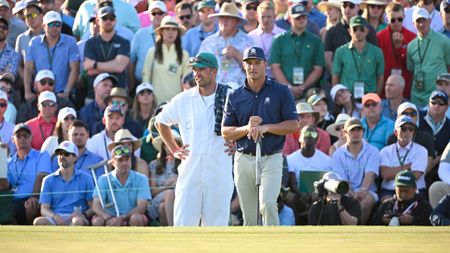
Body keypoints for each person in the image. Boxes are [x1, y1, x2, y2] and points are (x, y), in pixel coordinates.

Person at [155, 52, 235, 226]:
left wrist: (240, 144)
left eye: (201, 69)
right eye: (194, 69)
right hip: (189, 173)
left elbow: (248, 124)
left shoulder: (230, 96)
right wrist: (174, 149)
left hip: (219, 173)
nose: (196, 73)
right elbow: (160, 121)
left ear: (214, 71)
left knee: (216, 231)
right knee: (183, 227)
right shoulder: (183, 99)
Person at [222, 47, 298, 226]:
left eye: (257, 63)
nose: (253, 67)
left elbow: (293, 124)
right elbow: (226, 131)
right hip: (243, 158)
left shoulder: (281, 91)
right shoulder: (235, 95)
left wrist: (266, 128)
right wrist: (247, 128)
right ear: (243, 65)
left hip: (271, 157)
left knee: (268, 204)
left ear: (265, 64)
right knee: (249, 214)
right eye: (249, 63)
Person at [270, 3, 325, 100]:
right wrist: (289, 87)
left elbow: (318, 69)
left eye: (304, 17)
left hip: (308, 93)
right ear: (289, 18)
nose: (301, 20)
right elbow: (275, 67)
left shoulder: (315, 41)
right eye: (297, 17)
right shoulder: (279, 40)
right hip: (283, 92)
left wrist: (302, 87)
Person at [331, 117, 380, 224]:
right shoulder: (337, 155)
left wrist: (362, 191)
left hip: (368, 191)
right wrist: (353, 194)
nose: (356, 132)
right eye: (352, 130)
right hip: (345, 191)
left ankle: (357, 231)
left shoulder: (373, 151)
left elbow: (370, 174)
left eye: (359, 129)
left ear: (363, 132)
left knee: (364, 203)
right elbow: (342, 181)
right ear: (345, 133)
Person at [33, 141, 94, 226]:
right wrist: (55, 216)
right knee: (39, 222)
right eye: (59, 154)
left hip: (78, 217)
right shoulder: (48, 180)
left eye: (66, 154)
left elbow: (93, 207)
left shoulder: (86, 178)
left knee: (77, 221)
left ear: (75, 158)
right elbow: (44, 208)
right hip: (55, 217)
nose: (62, 156)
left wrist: (83, 214)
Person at [24, 11, 79, 102]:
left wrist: (67, 91)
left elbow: (75, 68)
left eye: (58, 24)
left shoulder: (71, 42)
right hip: (40, 94)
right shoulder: (34, 42)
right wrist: (27, 92)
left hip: (61, 94)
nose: (55, 27)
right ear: (43, 26)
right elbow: (28, 68)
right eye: (51, 24)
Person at [91, 144, 150, 226]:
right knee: (98, 221)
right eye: (120, 160)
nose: (124, 163)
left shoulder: (141, 178)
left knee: (136, 218)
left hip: (130, 216)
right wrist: (108, 218)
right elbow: (95, 205)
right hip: (109, 216)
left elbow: (142, 207)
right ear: (113, 162)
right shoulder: (103, 179)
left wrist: (122, 218)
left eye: (127, 159)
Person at [199, 2, 254, 86]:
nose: (224, 21)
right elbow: (199, 68)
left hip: (241, 92)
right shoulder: (208, 42)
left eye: (229, 18)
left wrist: (238, 55)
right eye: (222, 18)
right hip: (214, 92)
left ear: (236, 21)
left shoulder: (249, 41)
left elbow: (256, 71)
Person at [6, 123, 51, 224]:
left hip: (33, 196)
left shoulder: (42, 155)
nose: (22, 138)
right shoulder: (8, 162)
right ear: (13, 139)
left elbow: (41, 177)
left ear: (31, 138)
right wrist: (1, 156)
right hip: (13, 199)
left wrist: (34, 196)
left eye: (26, 136)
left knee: (32, 204)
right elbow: (5, 185)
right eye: (19, 136)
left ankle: (30, 233)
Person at [286, 125, 332, 223]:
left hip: (318, 194)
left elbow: (325, 182)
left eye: (313, 134)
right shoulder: (291, 159)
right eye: (306, 133)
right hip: (298, 195)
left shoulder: (326, 160)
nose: (310, 136)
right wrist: (302, 195)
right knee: (291, 199)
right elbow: (293, 184)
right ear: (300, 137)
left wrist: (314, 195)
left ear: (317, 140)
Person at [406, 8, 450, 108]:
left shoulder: (444, 41)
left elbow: (449, 67)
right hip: (417, 98)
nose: (421, 24)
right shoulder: (411, 46)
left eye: (424, 20)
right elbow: (411, 72)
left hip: (438, 98)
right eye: (418, 21)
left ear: (429, 21)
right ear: (413, 24)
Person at [83, 6, 130, 100]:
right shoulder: (90, 43)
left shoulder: (124, 42)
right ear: (97, 20)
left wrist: (95, 64)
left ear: (115, 21)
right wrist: (113, 66)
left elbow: (120, 67)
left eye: (111, 18)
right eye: (104, 18)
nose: (108, 21)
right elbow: (89, 69)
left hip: (118, 95)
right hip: (94, 96)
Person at [332, 15, 384, 97]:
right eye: (355, 29)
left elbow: (380, 76)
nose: (358, 32)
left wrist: (376, 96)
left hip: (369, 96)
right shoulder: (340, 51)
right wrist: (338, 96)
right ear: (349, 31)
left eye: (362, 29)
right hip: (347, 97)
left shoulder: (377, 52)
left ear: (367, 31)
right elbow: (336, 75)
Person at [142, 15, 189, 104]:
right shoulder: (152, 52)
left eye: (174, 29)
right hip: (155, 102)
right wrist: (147, 97)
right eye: (167, 29)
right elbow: (146, 75)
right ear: (162, 32)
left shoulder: (184, 55)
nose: (170, 32)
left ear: (178, 33)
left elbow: (186, 81)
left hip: (177, 103)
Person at [379, 115, 428, 202]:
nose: (408, 131)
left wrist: (393, 172)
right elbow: (385, 174)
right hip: (389, 191)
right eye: (403, 128)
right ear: (395, 132)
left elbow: (415, 175)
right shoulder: (385, 151)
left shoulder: (422, 150)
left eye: (411, 129)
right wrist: (407, 167)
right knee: (387, 204)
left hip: (414, 191)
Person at [324, 0, 378, 75]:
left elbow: (373, 57)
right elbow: (328, 59)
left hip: (363, 78)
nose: (347, 9)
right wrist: (337, 76)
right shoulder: (332, 31)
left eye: (351, 6)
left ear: (358, 7)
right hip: (339, 79)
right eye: (344, 5)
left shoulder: (368, 29)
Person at [376, 3, 415, 99]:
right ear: (387, 18)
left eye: (400, 19)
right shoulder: (379, 37)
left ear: (404, 17)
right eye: (393, 20)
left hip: (405, 90)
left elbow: (411, 65)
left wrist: (399, 48)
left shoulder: (412, 37)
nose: (397, 22)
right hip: (384, 89)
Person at [130, 0, 167, 87]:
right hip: (141, 83)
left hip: (164, 83)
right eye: (154, 13)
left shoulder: (173, 34)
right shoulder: (140, 34)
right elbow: (131, 61)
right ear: (149, 15)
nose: (157, 16)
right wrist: (131, 84)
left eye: (160, 13)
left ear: (165, 15)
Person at [147, 129, 180, 226]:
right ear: (163, 146)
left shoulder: (184, 163)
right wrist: (167, 187)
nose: (169, 147)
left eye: (174, 143)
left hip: (179, 197)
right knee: (169, 193)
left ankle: (167, 233)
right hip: (158, 199)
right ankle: (174, 228)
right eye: (167, 143)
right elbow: (152, 191)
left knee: (162, 207)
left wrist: (178, 181)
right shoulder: (155, 164)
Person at [418, 90, 450, 186]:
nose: (436, 106)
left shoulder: (449, 125)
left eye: (441, 103)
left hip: (438, 168)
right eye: (433, 102)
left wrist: (435, 161)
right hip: (416, 162)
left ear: (447, 107)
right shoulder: (417, 117)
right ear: (428, 103)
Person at [247, 0, 285, 78]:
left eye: (269, 17)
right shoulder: (250, 37)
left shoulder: (284, 35)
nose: (266, 20)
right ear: (257, 17)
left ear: (275, 17)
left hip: (280, 79)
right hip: (257, 79)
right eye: (263, 17)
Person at [72, 0, 140, 39]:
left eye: (111, 18)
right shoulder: (85, 7)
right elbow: (76, 35)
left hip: (118, 58)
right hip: (87, 57)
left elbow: (137, 38)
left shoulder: (127, 8)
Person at [14, 2, 44, 85]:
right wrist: (25, 77)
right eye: (27, 16)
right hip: (28, 84)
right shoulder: (21, 38)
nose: (30, 18)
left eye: (33, 15)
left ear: (41, 16)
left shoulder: (49, 36)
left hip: (48, 82)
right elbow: (17, 63)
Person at [0, 90, 14, 154]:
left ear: (6, 107)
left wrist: (7, 150)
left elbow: (14, 155)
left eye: (2, 105)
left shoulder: (13, 128)